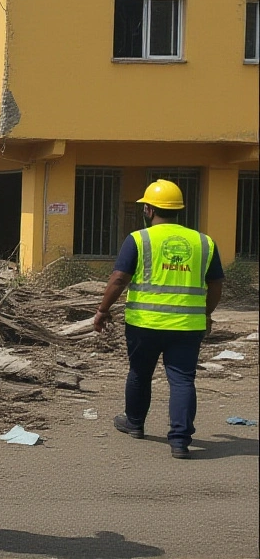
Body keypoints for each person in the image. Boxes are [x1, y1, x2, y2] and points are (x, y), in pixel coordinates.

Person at [93, 179, 224, 459]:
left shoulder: (139, 239)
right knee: (182, 381)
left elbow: (119, 279)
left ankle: (135, 423)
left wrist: (103, 310)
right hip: (188, 326)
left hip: (144, 324)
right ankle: (180, 441)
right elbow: (216, 285)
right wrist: (206, 314)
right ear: (178, 210)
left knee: (140, 373)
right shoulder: (204, 242)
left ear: (149, 210)